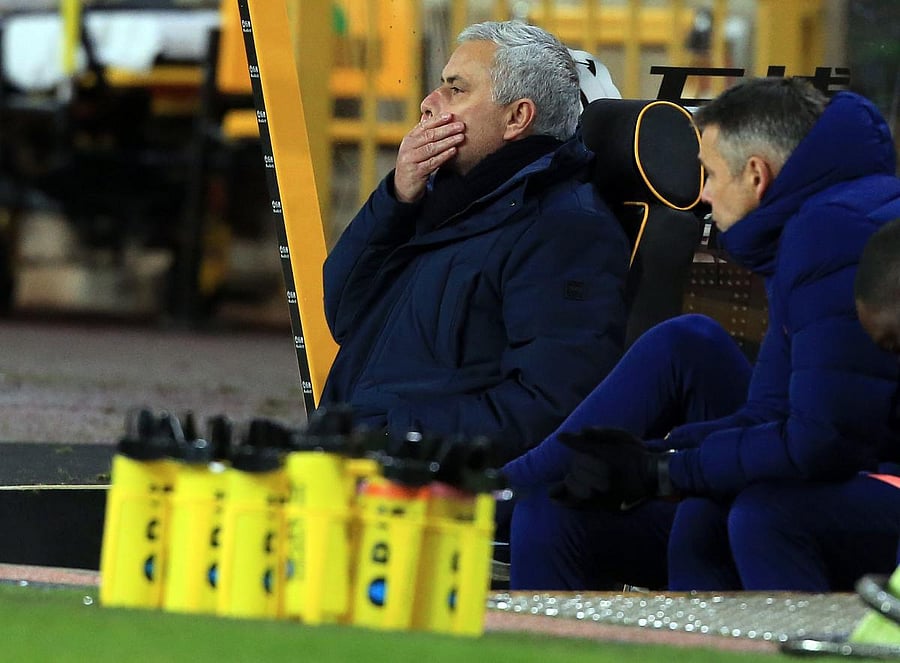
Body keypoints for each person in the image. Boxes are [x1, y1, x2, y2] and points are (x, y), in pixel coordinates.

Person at [502, 76, 900, 592]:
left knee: (739, 514)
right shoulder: (817, 217)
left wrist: (662, 473)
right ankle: (508, 493)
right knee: (560, 507)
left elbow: (818, 444)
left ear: (757, 175)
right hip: (846, 468)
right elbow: (774, 411)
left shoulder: (830, 230)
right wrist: (649, 458)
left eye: (709, 174)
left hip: (864, 481)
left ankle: (492, 498)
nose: (703, 195)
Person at [319, 21, 630, 463]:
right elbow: (345, 311)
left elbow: (547, 404)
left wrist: (392, 438)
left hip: (425, 487)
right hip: (359, 462)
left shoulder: (564, 229)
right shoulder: (445, 201)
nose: (429, 104)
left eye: (456, 90)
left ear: (517, 118)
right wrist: (396, 198)